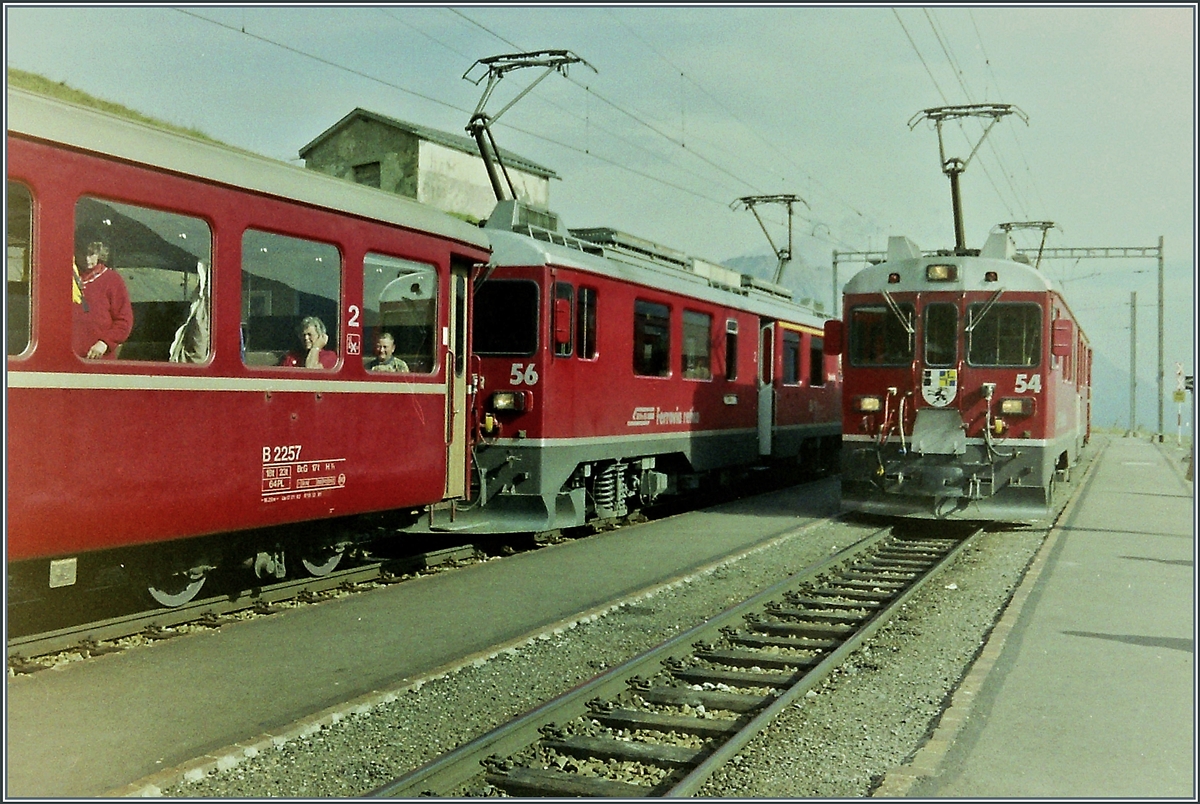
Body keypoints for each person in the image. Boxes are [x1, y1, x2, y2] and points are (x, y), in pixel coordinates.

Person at [72, 240, 133, 360]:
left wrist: (105, 343)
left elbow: (124, 321)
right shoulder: (65, 278)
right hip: (68, 360)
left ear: (100, 253)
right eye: (82, 253)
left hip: (99, 360)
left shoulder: (112, 280)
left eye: (91, 254)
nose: (87, 259)